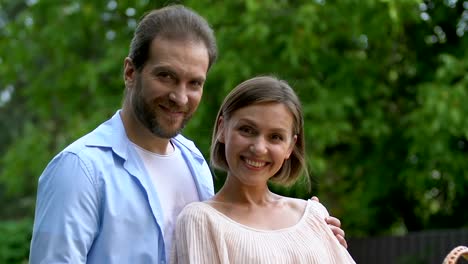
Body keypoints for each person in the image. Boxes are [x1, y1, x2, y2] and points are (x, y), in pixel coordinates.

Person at [29, 4, 346, 264]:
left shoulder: (194, 162)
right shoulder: (80, 169)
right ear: (130, 72)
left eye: (194, 83)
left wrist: (308, 235)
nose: (180, 97)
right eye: (166, 76)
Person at [172, 76, 356, 263]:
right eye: (247, 130)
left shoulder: (314, 217)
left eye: (275, 137)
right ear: (222, 129)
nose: (259, 148)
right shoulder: (201, 221)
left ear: (290, 147)